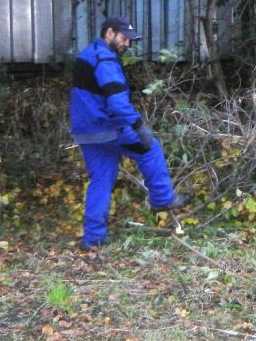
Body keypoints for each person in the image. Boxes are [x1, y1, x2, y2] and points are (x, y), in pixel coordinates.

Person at [70, 16, 187, 251]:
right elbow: (117, 103)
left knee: (101, 179)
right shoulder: (105, 60)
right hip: (106, 127)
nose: (127, 44)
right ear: (109, 33)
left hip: (85, 131)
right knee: (150, 148)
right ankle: (162, 199)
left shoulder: (87, 54)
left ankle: (93, 237)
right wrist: (138, 127)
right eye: (124, 39)